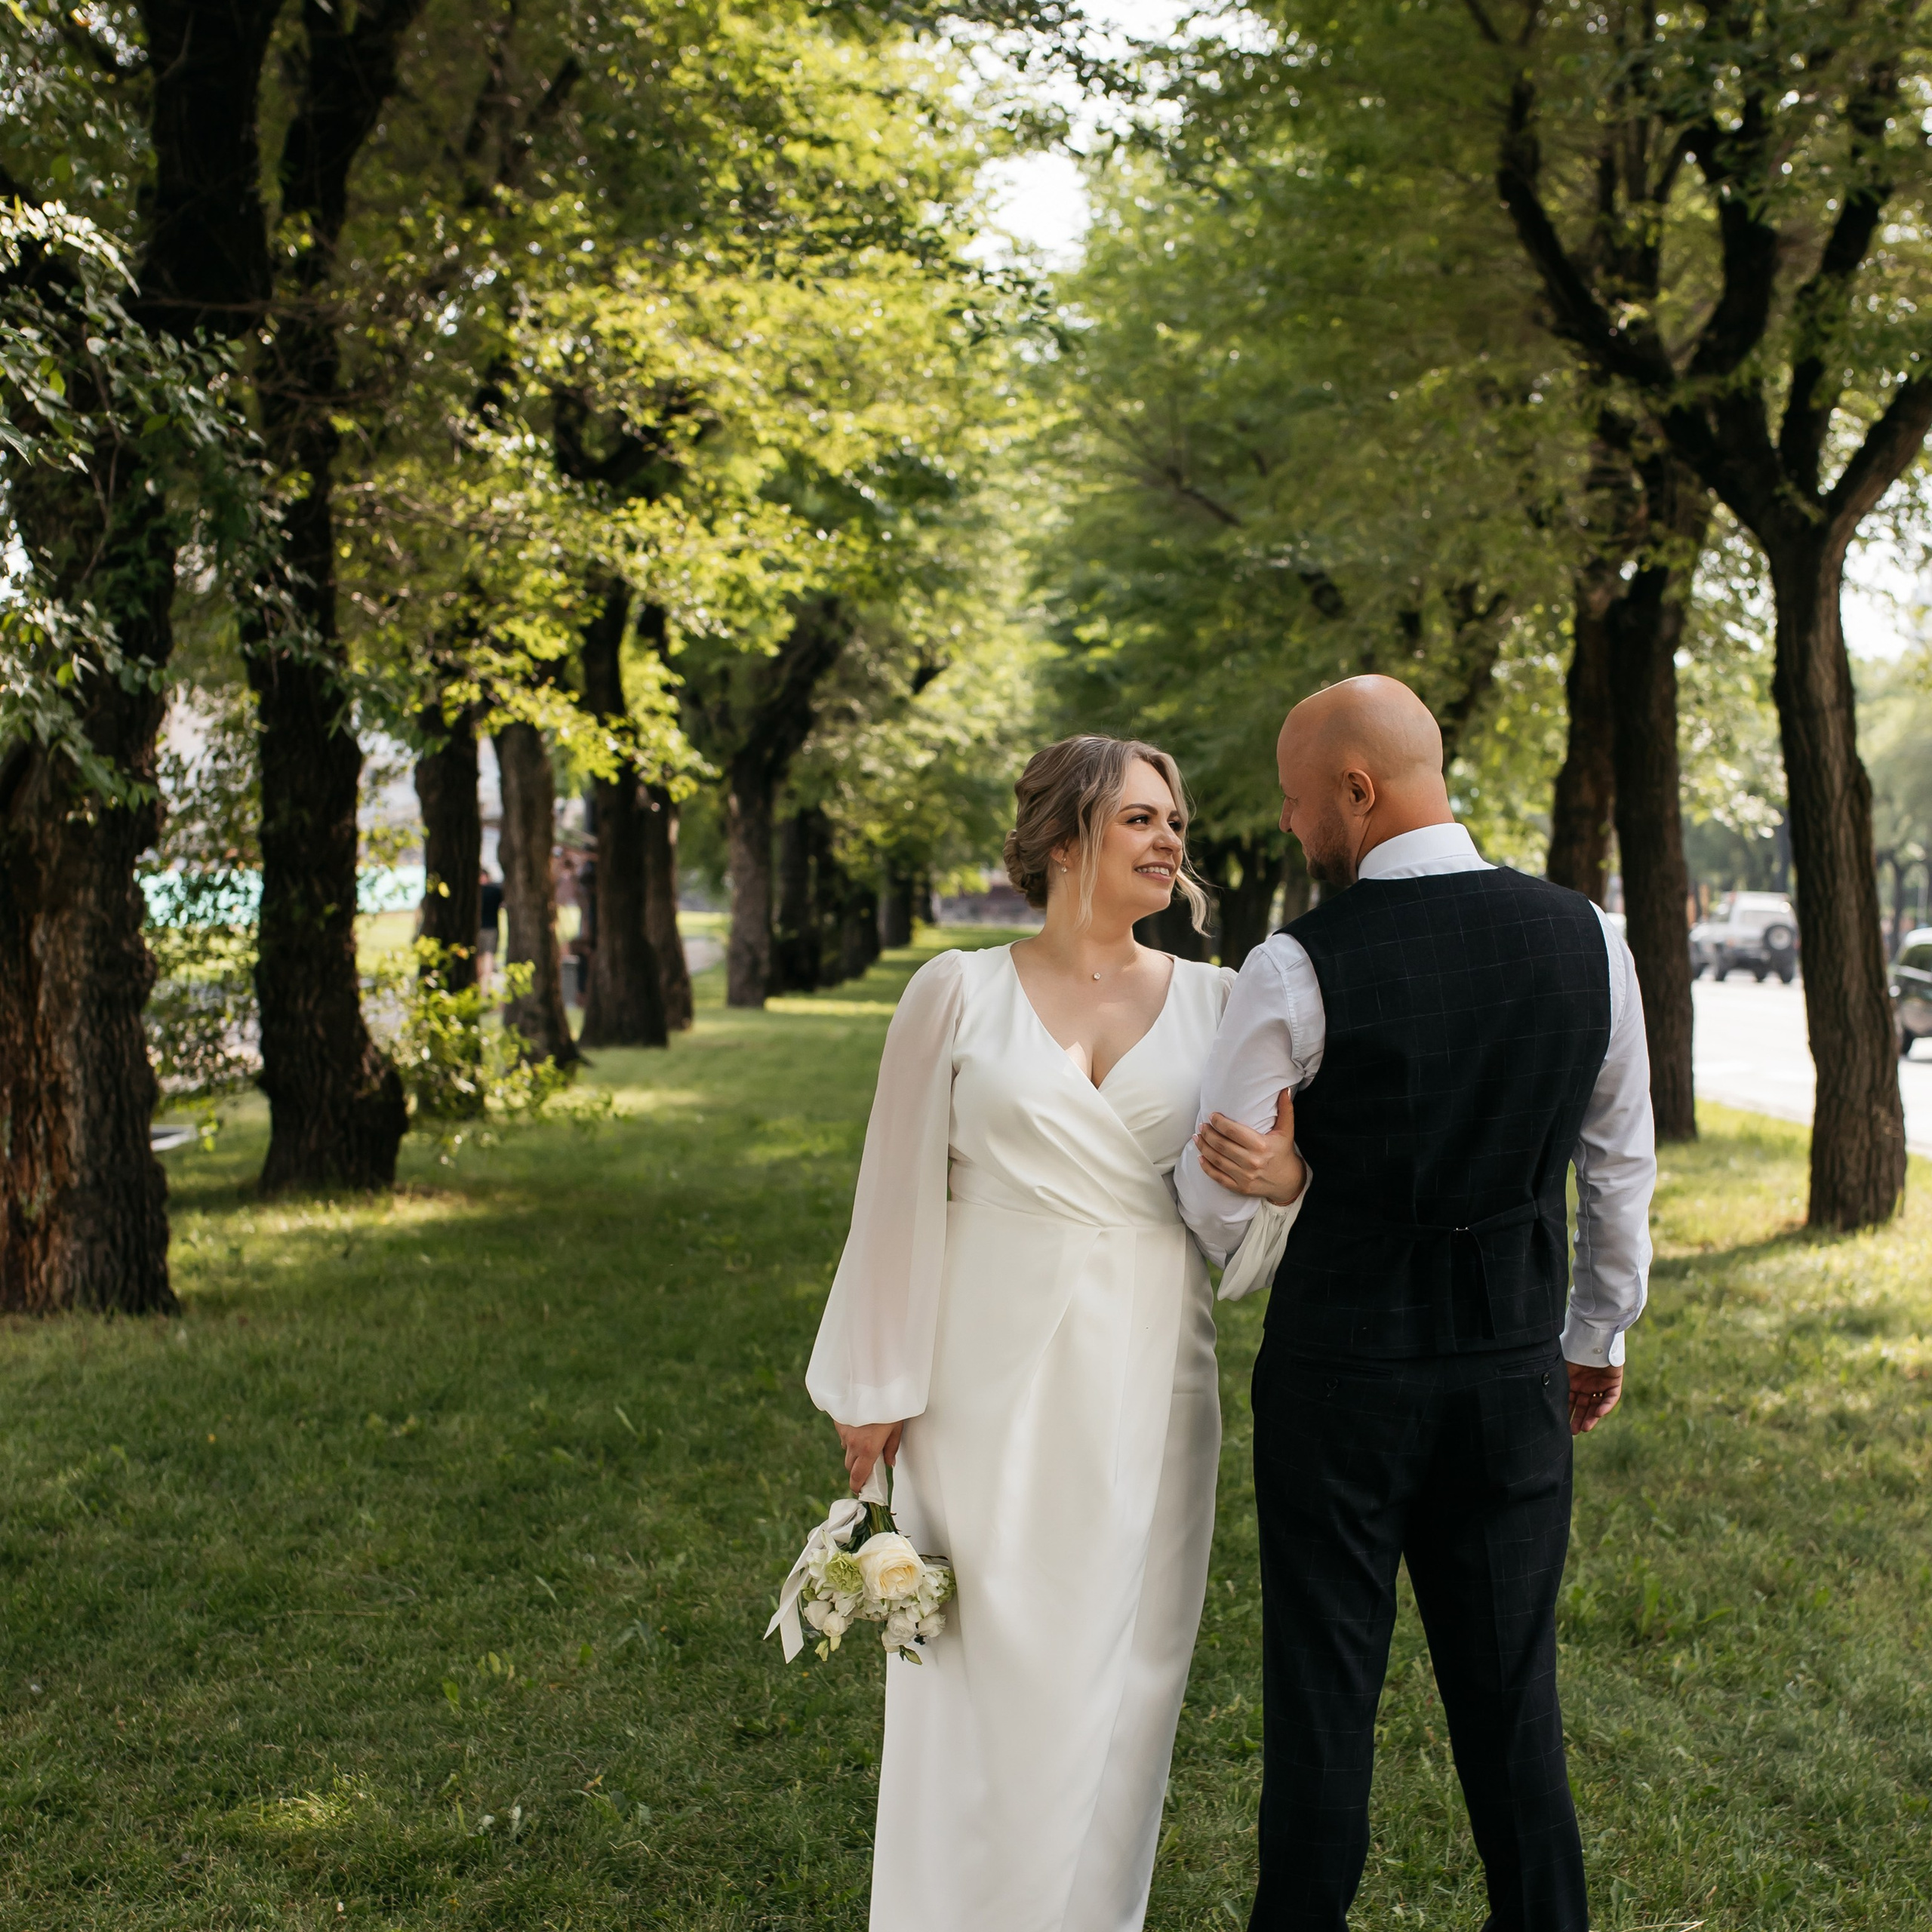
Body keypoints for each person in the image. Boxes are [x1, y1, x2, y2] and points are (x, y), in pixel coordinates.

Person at [1177, 676, 1654, 1932]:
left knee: (1323, 1695)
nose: (1291, 826)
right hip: (1513, 1370)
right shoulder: (1588, 936)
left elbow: (1213, 1199)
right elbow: (1619, 1166)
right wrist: (1595, 1337)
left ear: (1358, 789)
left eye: (1297, 801)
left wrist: (1299, 1183)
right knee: (1514, 1697)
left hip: (1340, 1379)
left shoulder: (1294, 965)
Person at [807, 736, 1303, 1932]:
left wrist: (1286, 1182)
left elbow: (1244, 1221)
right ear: (1065, 838)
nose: (1170, 839)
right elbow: (894, 1195)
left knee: (1126, 1680)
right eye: (1140, 817)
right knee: (975, 1674)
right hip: (978, 1386)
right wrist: (874, 1387)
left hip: (1151, 1380)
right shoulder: (955, 993)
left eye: (1174, 820)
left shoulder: (1223, 1003)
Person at [476, 869, 503, 997]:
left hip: (478, 929)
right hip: (492, 929)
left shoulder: (474, 893)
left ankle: (479, 986)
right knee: (489, 956)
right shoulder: (495, 891)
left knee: (479, 957)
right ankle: (486, 988)